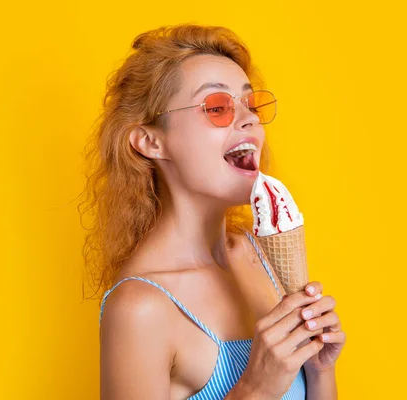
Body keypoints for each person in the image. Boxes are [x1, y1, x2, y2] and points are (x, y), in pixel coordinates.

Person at [79, 23, 346, 399]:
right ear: (151, 141)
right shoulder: (140, 308)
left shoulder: (258, 257)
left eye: (250, 105)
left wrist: (320, 371)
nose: (249, 119)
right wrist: (256, 389)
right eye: (217, 108)